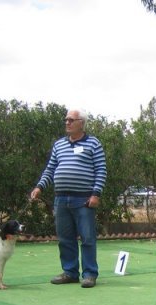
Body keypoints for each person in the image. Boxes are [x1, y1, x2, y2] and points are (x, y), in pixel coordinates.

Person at [30, 108, 107, 288]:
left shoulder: (94, 143)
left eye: (71, 120)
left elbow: (101, 170)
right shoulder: (59, 145)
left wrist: (96, 193)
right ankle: (70, 272)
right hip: (61, 199)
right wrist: (39, 187)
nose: (67, 122)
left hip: (84, 200)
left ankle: (89, 274)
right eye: (66, 120)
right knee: (65, 238)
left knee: (87, 238)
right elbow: (50, 169)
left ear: (82, 122)